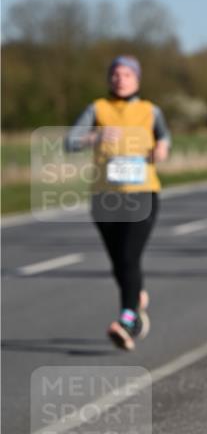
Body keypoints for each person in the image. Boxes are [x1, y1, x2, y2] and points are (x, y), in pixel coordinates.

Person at [65, 55, 170, 349]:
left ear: (136, 79)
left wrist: (161, 149)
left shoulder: (151, 111)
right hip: (104, 196)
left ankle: (127, 320)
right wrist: (93, 137)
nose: (119, 79)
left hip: (142, 193)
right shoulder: (97, 108)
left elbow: (164, 140)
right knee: (118, 263)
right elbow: (69, 142)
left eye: (125, 74)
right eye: (115, 74)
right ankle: (135, 297)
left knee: (128, 257)